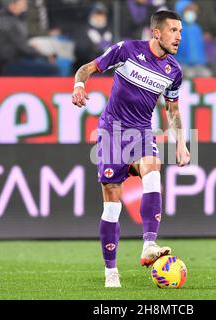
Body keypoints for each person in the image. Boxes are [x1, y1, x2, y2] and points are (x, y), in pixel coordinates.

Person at [71, 10, 190, 288]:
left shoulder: (174, 71)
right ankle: (111, 271)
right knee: (112, 205)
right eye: (174, 31)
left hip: (142, 132)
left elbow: (173, 111)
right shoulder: (126, 50)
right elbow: (86, 69)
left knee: (153, 168)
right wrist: (78, 85)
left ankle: (149, 244)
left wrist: (182, 144)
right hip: (112, 132)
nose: (179, 37)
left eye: (181, 32)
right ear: (156, 33)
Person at [0, 0, 59, 76]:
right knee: (53, 69)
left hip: (10, 61)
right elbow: (23, 48)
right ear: (12, 6)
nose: (24, 7)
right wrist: (45, 57)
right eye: (22, 4)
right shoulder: (9, 23)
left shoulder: (7, 20)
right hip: (11, 64)